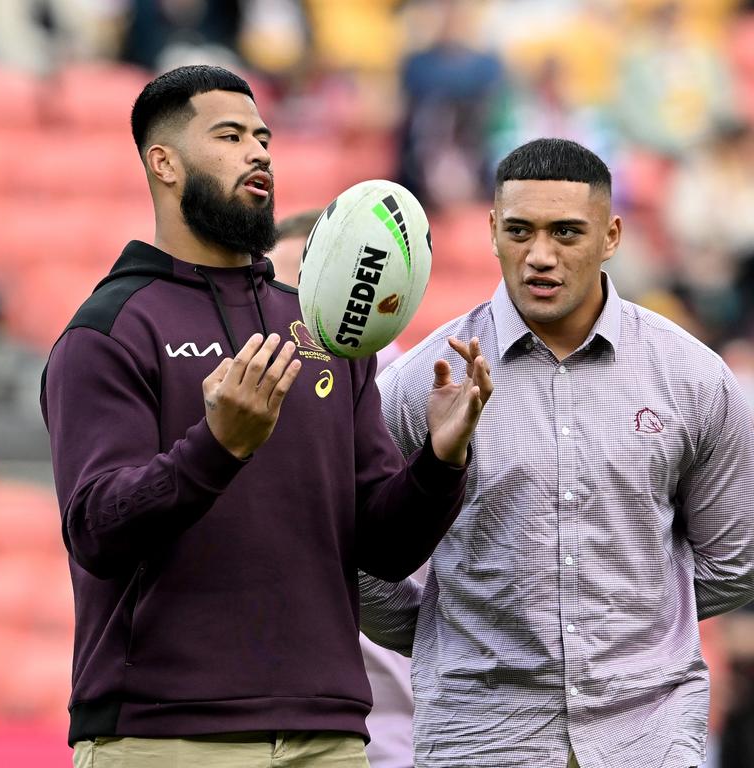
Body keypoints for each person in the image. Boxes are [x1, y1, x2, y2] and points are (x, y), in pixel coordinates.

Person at [40, 64, 493, 767]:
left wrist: (440, 459)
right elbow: (96, 530)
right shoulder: (109, 329)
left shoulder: (321, 329)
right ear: (163, 162)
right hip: (165, 733)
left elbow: (382, 544)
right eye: (228, 135)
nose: (257, 152)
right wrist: (216, 448)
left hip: (328, 731)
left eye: (263, 137)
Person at [360, 137, 754, 768]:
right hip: (478, 737)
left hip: (645, 735)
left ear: (613, 235)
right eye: (519, 231)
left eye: (567, 232)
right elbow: (356, 561)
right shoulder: (422, 379)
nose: (540, 256)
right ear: (490, 230)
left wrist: (631, 619)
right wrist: (448, 631)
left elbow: (734, 561)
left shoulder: (693, 376)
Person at [267, 209, 414, 767]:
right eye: (276, 288)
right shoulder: (246, 402)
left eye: (307, 288)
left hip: (402, 734)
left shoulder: (417, 397)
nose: (289, 313)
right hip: (284, 726)